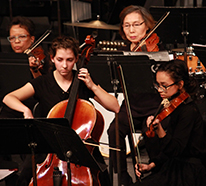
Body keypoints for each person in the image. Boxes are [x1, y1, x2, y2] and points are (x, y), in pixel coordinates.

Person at [3, 35, 120, 186]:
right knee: (26, 176)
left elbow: (115, 106)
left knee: (102, 178)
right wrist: (26, 110)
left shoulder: (83, 81)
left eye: (69, 60)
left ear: (77, 59)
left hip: (80, 146)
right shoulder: (43, 82)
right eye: (60, 60)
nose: (64, 65)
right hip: (49, 147)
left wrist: (92, 86)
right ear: (52, 58)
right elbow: (9, 97)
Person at [107, 5, 163, 186]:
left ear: (147, 25)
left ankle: (157, 171)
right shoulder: (122, 51)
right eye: (126, 25)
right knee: (114, 129)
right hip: (131, 106)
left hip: (154, 105)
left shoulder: (158, 50)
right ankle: (123, 176)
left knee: (153, 131)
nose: (131, 30)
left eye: (136, 24)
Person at [132, 59, 206, 186]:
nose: (160, 90)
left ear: (180, 84)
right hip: (174, 165)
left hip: (189, 172)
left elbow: (175, 149)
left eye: (164, 85)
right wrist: (151, 166)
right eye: (158, 85)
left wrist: (160, 131)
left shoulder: (188, 111)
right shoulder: (175, 105)